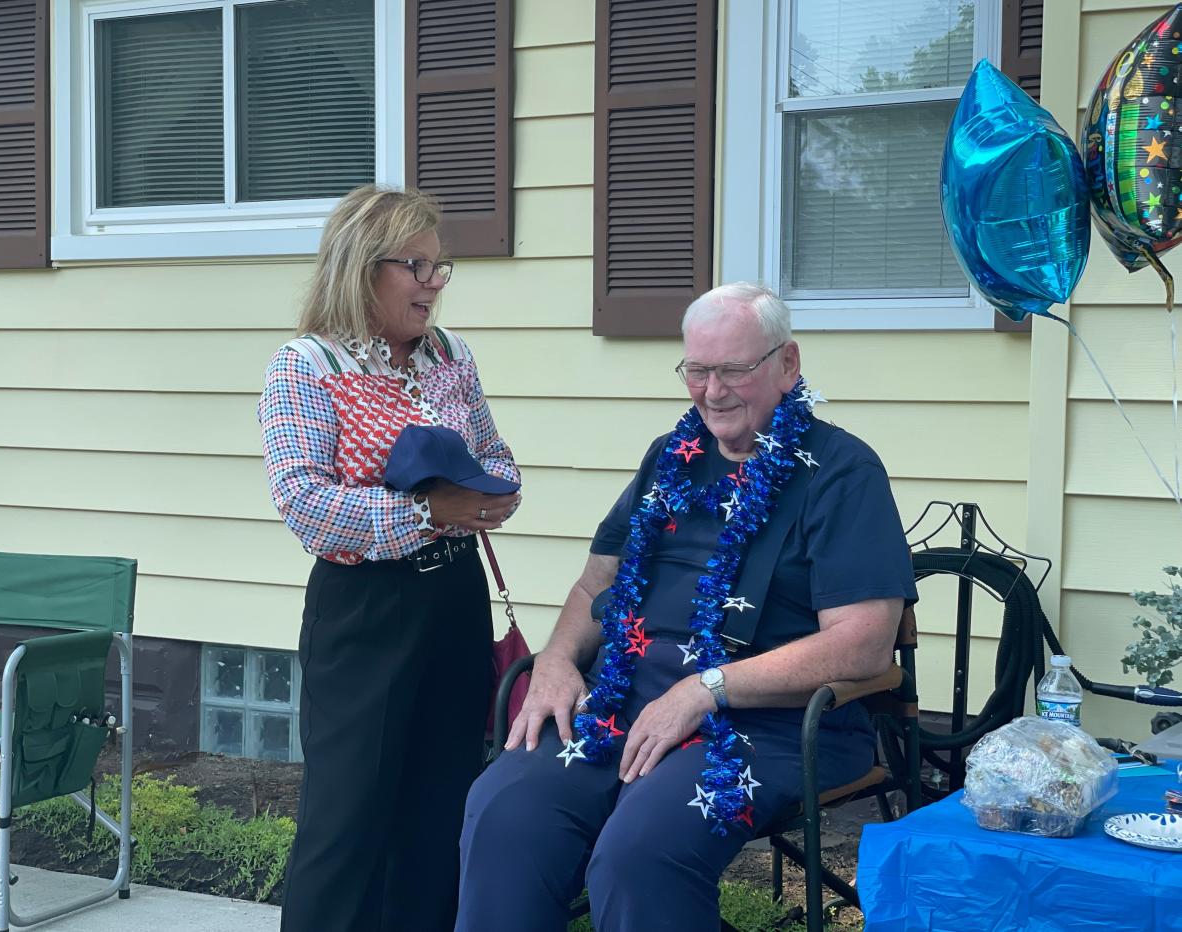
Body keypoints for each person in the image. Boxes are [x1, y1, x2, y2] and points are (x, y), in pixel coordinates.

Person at [456, 282, 918, 931]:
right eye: (696, 371)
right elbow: (594, 587)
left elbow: (863, 642)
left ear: (788, 364)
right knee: (504, 811)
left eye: (734, 370)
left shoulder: (842, 472)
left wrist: (706, 690)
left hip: (763, 726)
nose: (712, 390)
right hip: (621, 703)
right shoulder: (671, 459)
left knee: (640, 854)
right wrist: (558, 660)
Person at [257, 184, 521, 932]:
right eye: (418, 267)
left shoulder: (450, 357)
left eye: (441, 269)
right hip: (364, 608)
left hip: (454, 598)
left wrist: (496, 492)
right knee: (347, 818)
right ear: (361, 267)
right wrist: (427, 510)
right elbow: (304, 502)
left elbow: (495, 453)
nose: (435, 285)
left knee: (441, 807)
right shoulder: (305, 366)